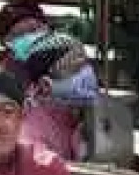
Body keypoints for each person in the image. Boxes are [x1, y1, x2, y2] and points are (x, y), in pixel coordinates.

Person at [16, 30, 101, 161]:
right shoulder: (30, 136)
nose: (88, 74)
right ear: (45, 85)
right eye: (76, 69)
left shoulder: (80, 117)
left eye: (86, 65)